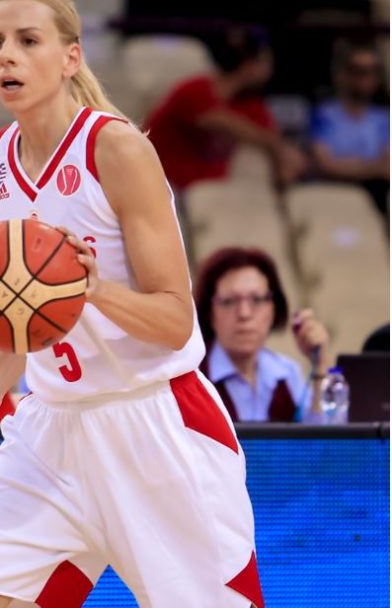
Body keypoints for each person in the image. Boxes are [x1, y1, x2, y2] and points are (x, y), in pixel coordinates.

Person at [0, 0, 265, 608]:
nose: (6, 56)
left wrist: (95, 289)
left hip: (154, 421)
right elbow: (28, 308)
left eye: (28, 41)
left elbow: (175, 319)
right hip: (53, 427)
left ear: (70, 57)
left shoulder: (118, 148)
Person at [145, 25, 306, 191]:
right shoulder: (195, 90)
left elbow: (278, 147)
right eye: (266, 62)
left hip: (213, 191)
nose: (270, 70)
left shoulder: (251, 105)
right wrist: (277, 147)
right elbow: (221, 122)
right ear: (250, 65)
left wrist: (285, 159)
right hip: (163, 185)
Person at [195, 247, 329, 423]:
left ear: (273, 308)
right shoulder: (191, 376)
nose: (244, 313)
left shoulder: (287, 373)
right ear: (209, 312)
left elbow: (320, 436)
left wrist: (319, 366)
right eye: (229, 301)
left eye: (257, 299)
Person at [310, 37, 389, 217]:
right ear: (342, 74)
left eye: (373, 71)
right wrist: (372, 167)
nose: (365, 78)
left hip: (376, 197)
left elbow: (387, 167)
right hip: (331, 195)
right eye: (358, 71)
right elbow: (324, 164)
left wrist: (348, 166)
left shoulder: (384, 118)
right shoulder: (324, 114)